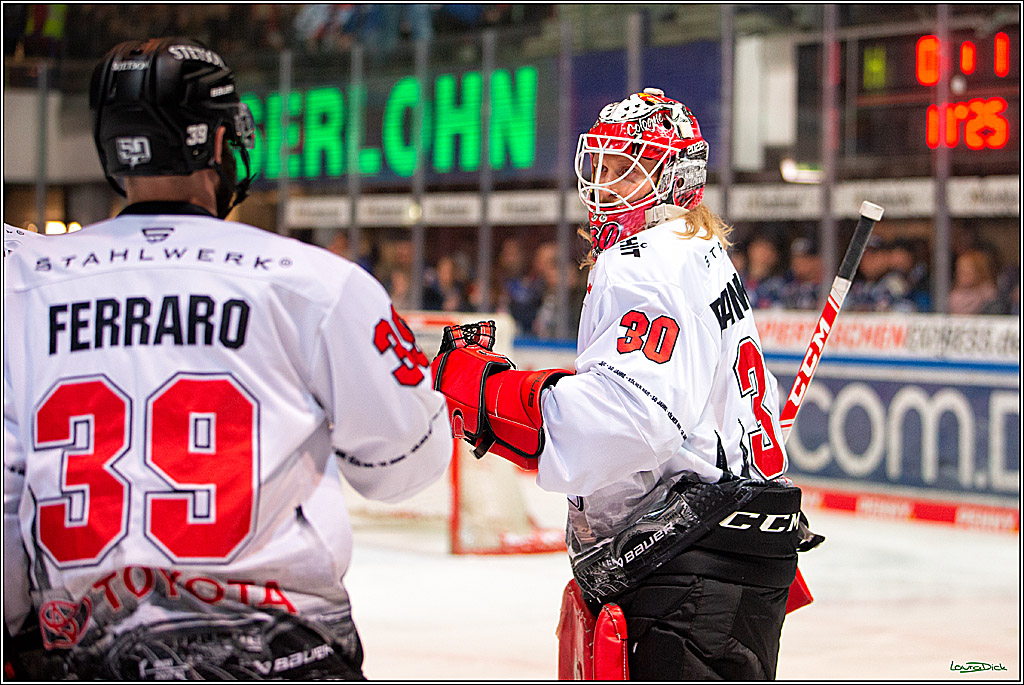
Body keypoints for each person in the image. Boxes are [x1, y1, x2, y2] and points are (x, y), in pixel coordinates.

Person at [3, 37, 453, 680]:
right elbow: (405, 467)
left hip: (86, 652)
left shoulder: (26, 284)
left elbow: (10, 482)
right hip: (283, 652)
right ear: (218, 142)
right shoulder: (316, 283)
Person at [431, 89, 819, 680]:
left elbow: (631, 421)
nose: (605, 185)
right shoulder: (698, 249)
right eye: (602, 166)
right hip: (729, 558)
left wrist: (491, 397)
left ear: (674, 176)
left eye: (627, 168)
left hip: (687, 573)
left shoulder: (643, 260)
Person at [949, 248, 1001, 315]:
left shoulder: (990, 299)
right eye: (960, 270)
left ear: (979, 271)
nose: (962, 275)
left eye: (968, 271)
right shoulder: (952, 297)